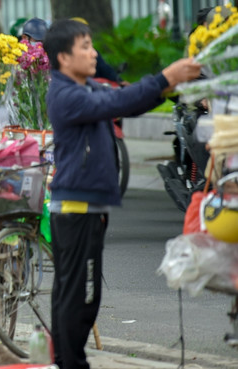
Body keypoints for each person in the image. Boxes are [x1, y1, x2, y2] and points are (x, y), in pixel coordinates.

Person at [44, 19, 200, 369]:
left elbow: (125, 101)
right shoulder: (66, 94)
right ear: (64, 57)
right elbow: (118, 102)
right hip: (76, 208)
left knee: (81, 294)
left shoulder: (86, 89)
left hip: (89, 206)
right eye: (85, 46)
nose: (93, 52)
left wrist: (170, 86)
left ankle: (66, 360)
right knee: (79, 296)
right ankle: (70, 362)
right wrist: (165, 77)